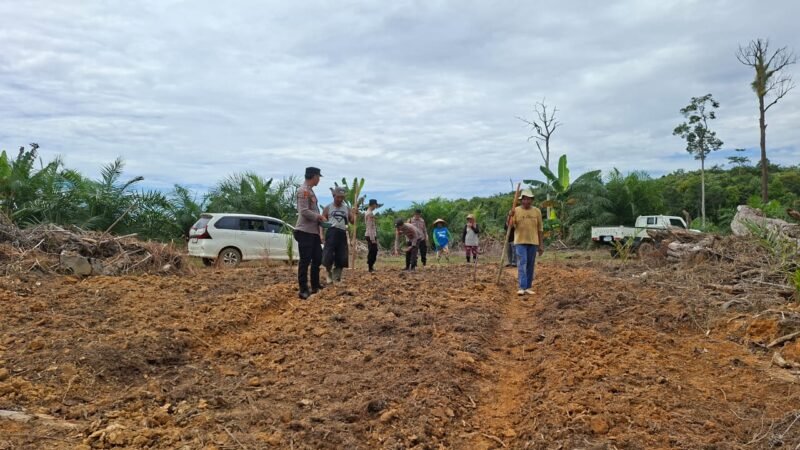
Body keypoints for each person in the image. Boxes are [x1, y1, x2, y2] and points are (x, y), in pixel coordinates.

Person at [295, 167, 326, 299]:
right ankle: (303, 290)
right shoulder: (303, 191)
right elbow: (304, 211)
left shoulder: (310, 191)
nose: (319, 179)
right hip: (304, 231)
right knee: (305, 261)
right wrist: (319, 217)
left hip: (313, 232)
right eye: (318, 177)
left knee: (318, 258)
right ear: (313, 176)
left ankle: (315, 285)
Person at [509, 189, 544, 296]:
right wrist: (510, 216)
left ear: (532, 200)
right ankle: (522, 287)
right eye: (524, 199)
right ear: (521, 200)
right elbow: (510, 225)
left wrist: (541, 245)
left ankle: (528, 287)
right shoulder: (516, 210)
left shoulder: (537, 211)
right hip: (520, 241)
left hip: (533, 242)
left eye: (529, 199)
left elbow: (540, 229)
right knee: (522, 263)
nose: (526, 201)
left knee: (530, 264)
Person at [322, 187, 356, 283]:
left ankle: (336, 277)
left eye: (342, 197)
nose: (340, 199)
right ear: (334, 196)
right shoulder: (328, 208)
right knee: (328, 256)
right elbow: (321, 221)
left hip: (342, 233)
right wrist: (321, 234)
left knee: (341, 256)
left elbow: (352, 221)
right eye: (338, 197)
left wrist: (355, 214)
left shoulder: (346, 208)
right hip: (331, 232)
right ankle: (328, 273)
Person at [364, 199, 381, 273]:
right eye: (375, 205)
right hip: (371, 235)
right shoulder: (370, 214)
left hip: (369, 234)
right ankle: (370, 267)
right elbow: (370, 227)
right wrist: (373, 239)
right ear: (373, 205)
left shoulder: (368, 212)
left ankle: (370, 267)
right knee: (373, 251)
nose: (376, 206)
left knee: (373, 251)